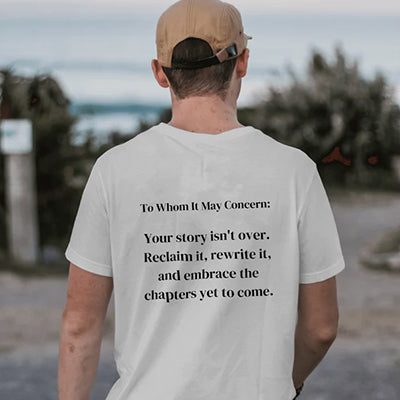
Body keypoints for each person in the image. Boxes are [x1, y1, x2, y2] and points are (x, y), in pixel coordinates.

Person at [58, 0, 345, 399]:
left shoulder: (114, 171)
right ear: (242, 62)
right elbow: (321, 328)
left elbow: (79, 326)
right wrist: (286, 382)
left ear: (159, 72)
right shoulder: (294, 171)